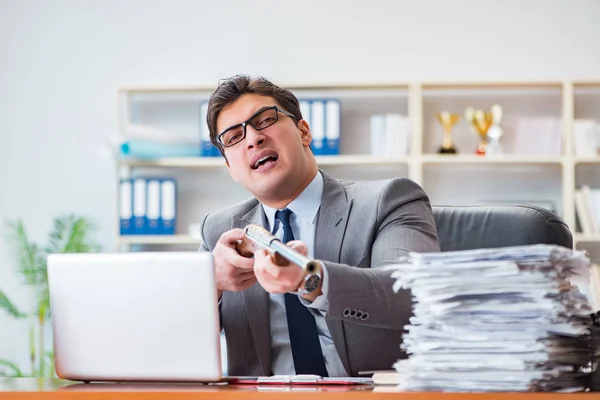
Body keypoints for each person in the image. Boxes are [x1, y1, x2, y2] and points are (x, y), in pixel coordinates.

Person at [200, 74, 440, 378]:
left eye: (264, 120)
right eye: (234, 137)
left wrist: (310, 278)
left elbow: (412, 295)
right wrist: (214, 284)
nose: (253, 139)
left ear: (303, 132)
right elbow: (174, 337)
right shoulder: (217, 232)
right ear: (230, 168)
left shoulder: (389, 200)